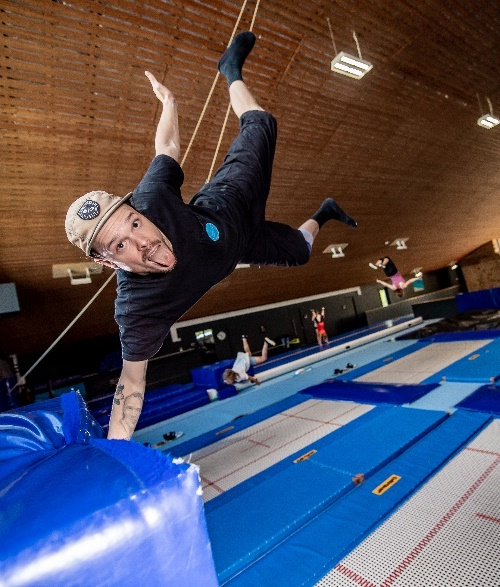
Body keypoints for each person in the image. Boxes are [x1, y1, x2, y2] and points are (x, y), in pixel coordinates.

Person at [64, 32, 357, 440]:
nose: (142, 240)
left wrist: (170, 103)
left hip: (230, 200)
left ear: (136, 210)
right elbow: (131, 384)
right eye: (119, 245)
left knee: (262, 123)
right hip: (245, 246)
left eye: (133, 224)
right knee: (302, 252)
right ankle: (325, 212)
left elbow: (166, 146)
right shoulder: (137, 308)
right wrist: (118, 450)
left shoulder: (151, 197)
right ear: (106, 262)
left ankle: (230, 70)